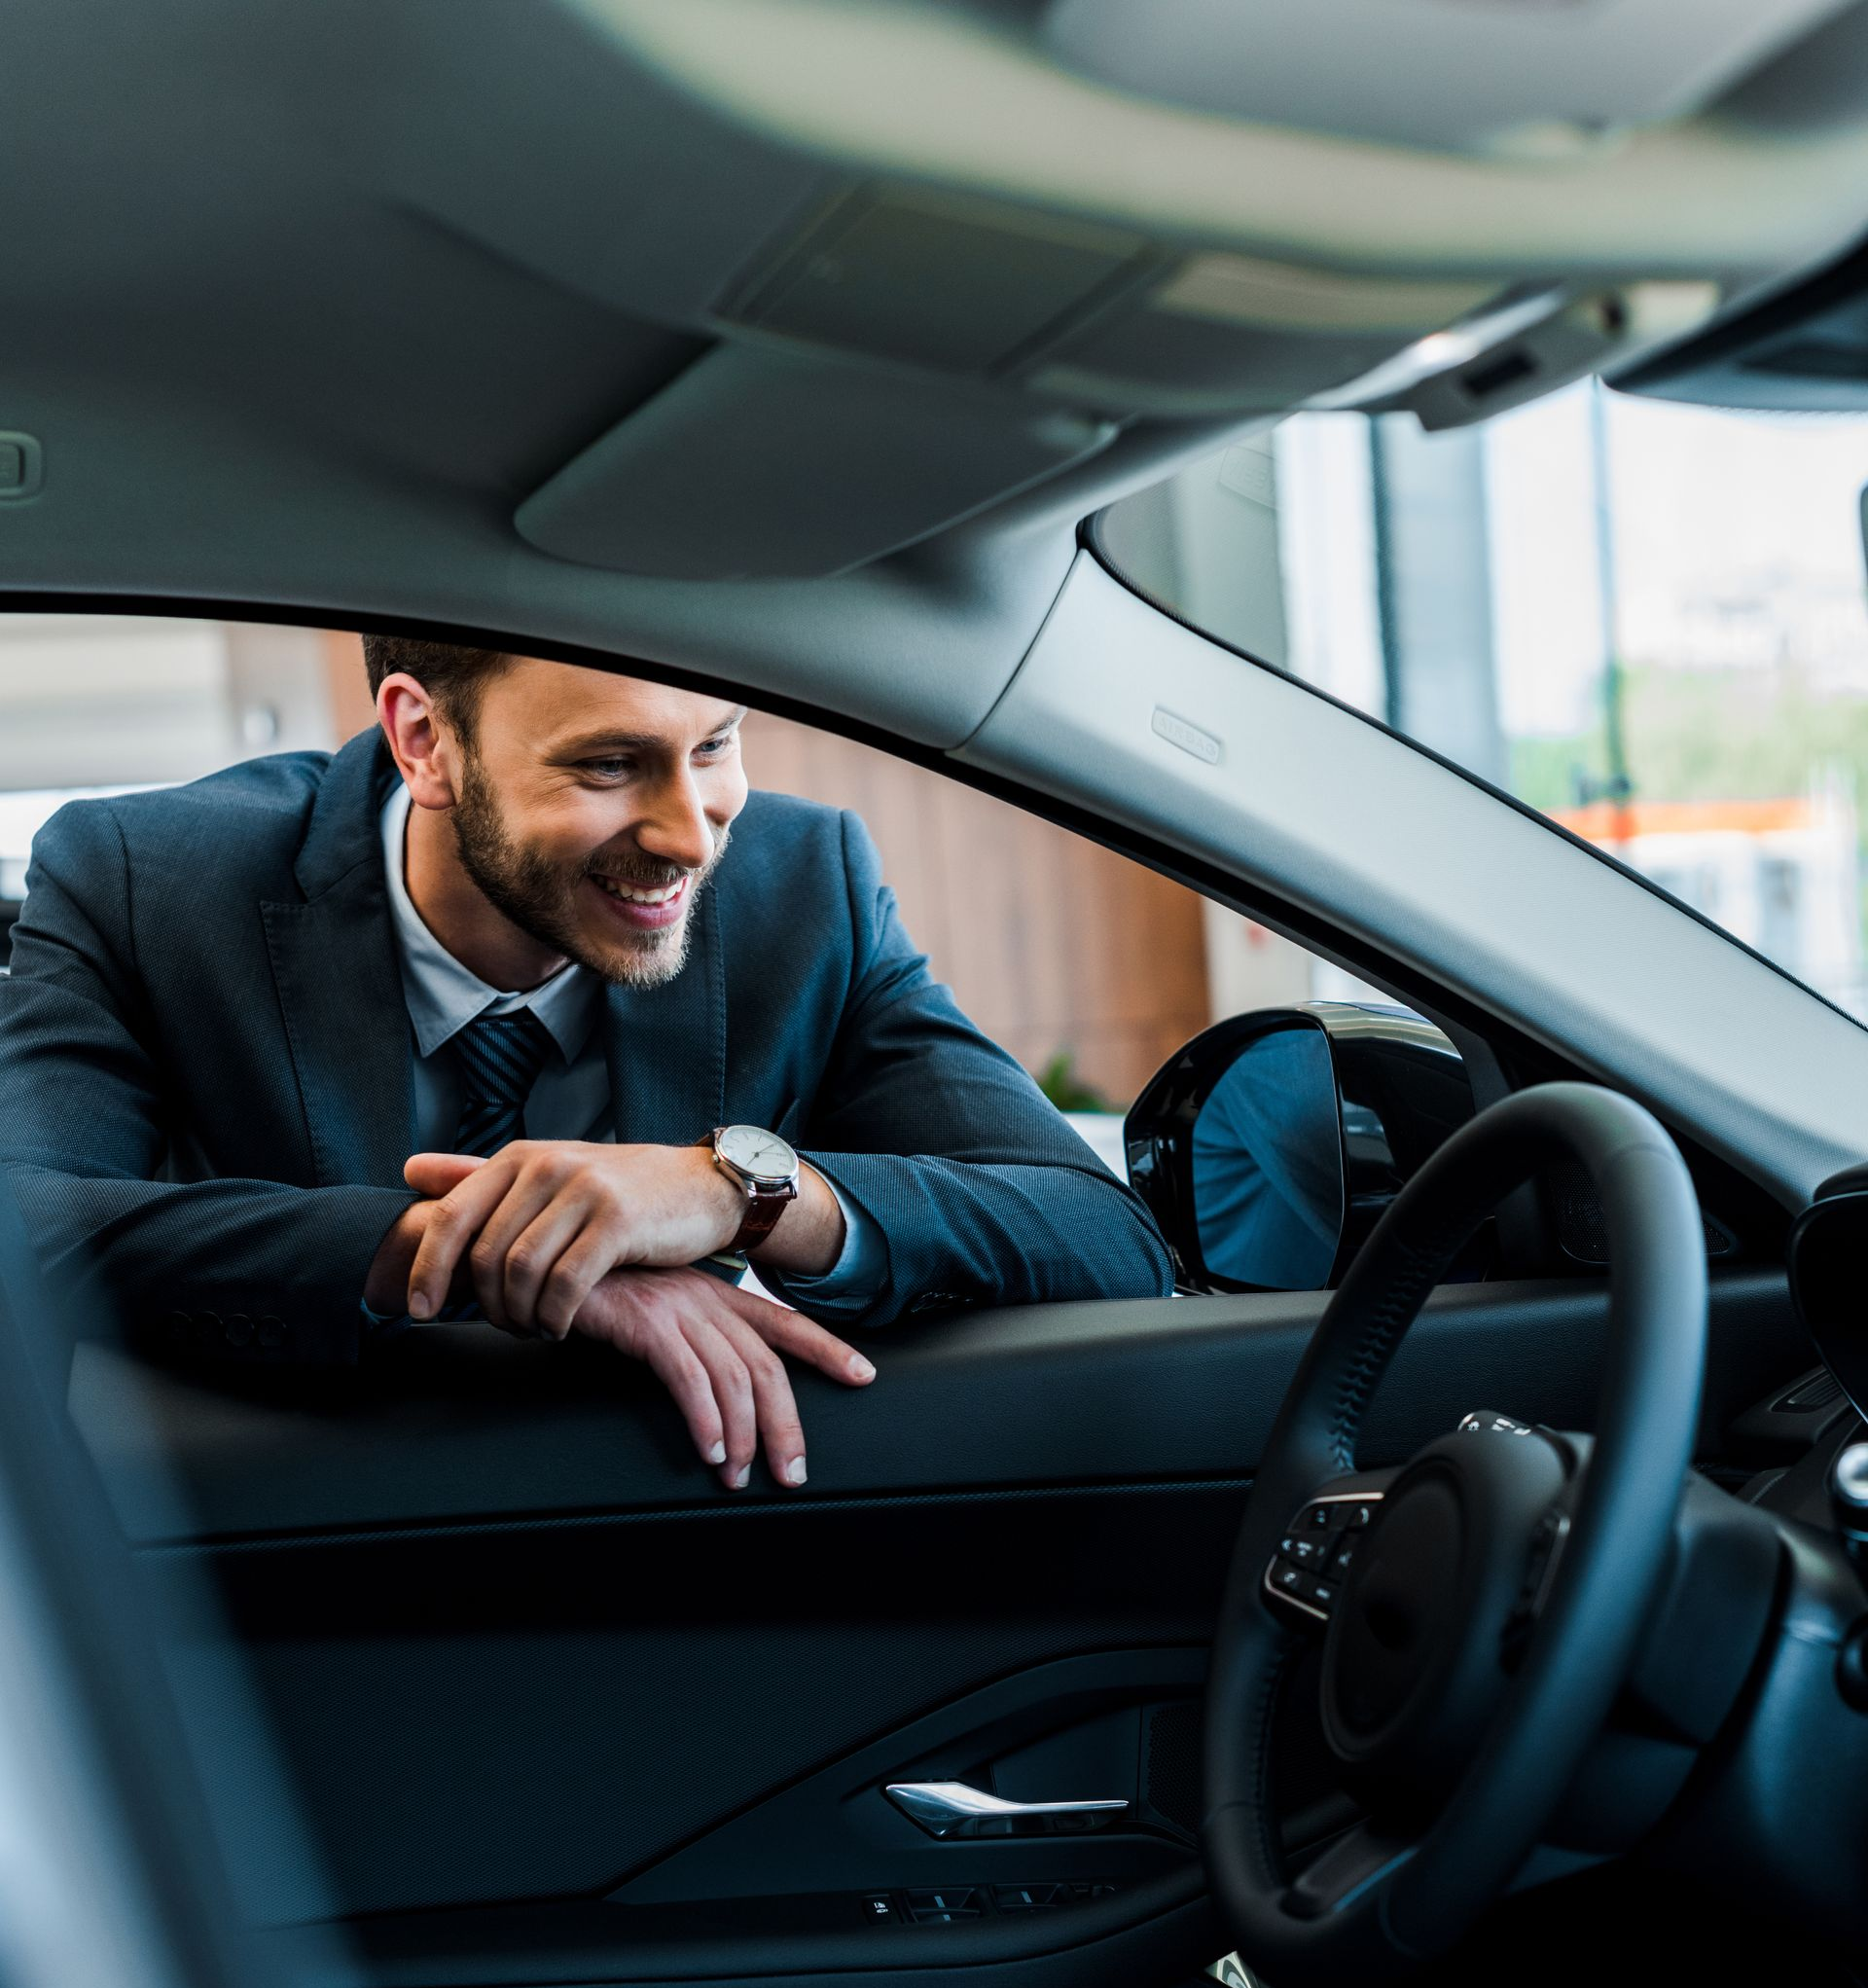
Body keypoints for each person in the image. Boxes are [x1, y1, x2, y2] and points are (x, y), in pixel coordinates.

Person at [0, 639, 1173, 1488]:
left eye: (715, 745)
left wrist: (731, 1191)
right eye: (610, 765)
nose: (692, 833)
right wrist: (501, 1250)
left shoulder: (805, 886)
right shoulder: (146, 880)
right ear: (425, 741)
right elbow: (23, 1218)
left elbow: (1102, 1239)